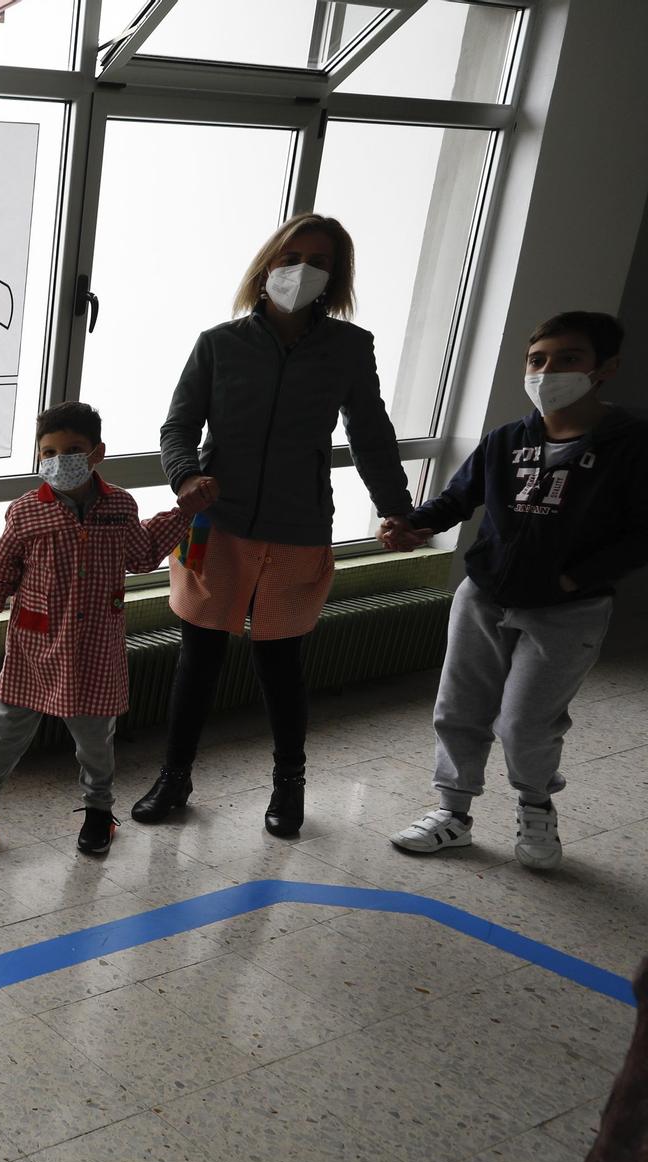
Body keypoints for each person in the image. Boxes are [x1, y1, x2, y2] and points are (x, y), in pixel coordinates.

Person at [131, 213, 412, 837]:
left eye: (320, 262)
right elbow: (178, 427)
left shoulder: (348, 348)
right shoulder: (219, 343)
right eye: (291, 258)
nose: (302, 272)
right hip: (217, 525)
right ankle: (174, 778)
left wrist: (395, 505)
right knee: (198, 658)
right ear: (266, 265)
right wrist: (184, 480)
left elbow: (370, 434)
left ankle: (290, 787)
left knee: (280, 662)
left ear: (335, 278)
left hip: (298, 525)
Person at [383, 312, 646, 870]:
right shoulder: (508, 439)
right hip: (484, 596)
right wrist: (413, 524)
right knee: (459, 707)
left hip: (569, 610)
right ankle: (452, 814)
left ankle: (535, 805)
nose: (548, 371)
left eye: (568, 359)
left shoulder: (632, 444)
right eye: (538, 360)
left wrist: (576, 578)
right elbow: (458, 497)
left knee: (526, 721)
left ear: (606, 369)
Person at [0, 402, 212, 857]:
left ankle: (100, 812)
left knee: (94, 743)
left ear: (97, 453)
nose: (61, 460)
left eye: (73, 449)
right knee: (2, 736)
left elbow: (141, 556)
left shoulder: (120, 506)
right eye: (50, 452)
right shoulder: (26, 511)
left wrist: (184, 511)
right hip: (34, 648)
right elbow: (0, 568)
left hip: (95, 647)